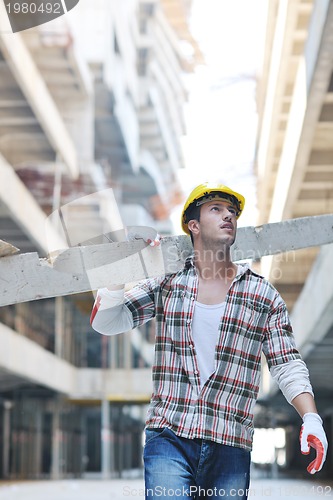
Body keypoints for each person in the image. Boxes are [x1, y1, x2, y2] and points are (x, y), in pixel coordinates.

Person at [90, 183, 328, 499]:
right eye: (216, 209)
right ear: (194, 225)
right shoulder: (168, 282)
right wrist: (126, 263)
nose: (228, 215)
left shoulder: (262, 295)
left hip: (230, 443)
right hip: (169, 436)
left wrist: (311, 417)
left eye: (232, 211)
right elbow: (107, 321)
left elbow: (287, 364)